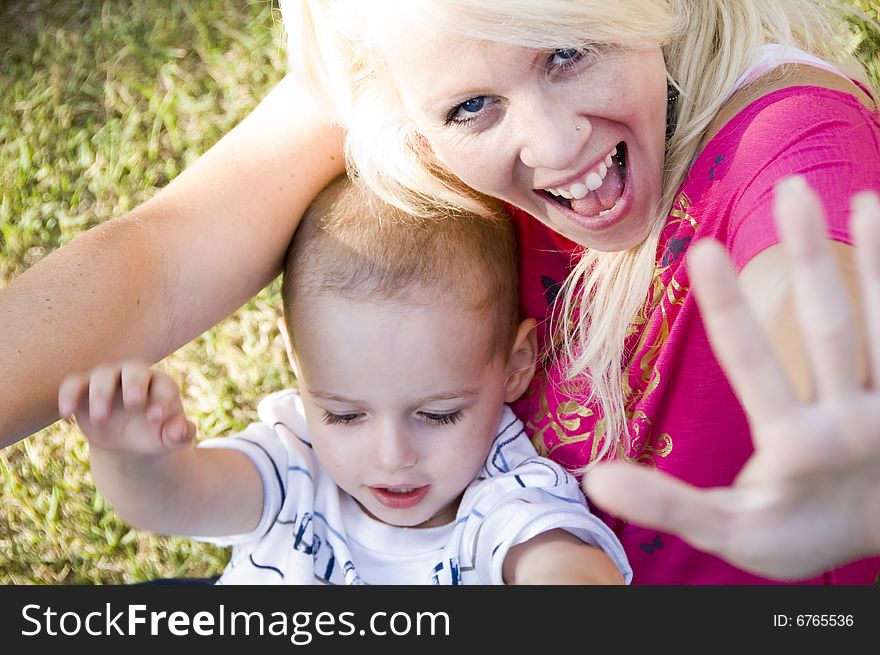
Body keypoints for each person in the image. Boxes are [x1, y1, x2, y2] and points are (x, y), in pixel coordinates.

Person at [2, 0, 878, 583]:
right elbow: (159, 257)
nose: (552, 141)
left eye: (569, 52)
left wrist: (840, 414)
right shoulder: (419, 43)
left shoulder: (790, 133)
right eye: (471, 109)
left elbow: (815, 281)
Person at [56, 176, 631, 585]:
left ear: (516, 365)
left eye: (438, 414)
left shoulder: (504, 495)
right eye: (345, 415)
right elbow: (177, 502)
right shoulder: (295, 461)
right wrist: (132, 458)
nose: (392, 456)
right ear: (297, 358)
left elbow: (555, 562)